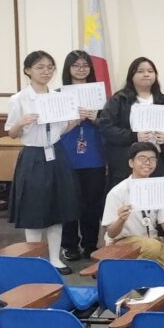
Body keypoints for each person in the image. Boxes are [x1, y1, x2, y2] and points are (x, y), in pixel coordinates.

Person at [5, 51, 81, 274]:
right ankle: (34, 259)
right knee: (34, 210)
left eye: (50, 67)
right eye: (40, 67)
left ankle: (55, 258)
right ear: (28, 70)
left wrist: (75, 121)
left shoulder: (59, 97)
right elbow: (11, 133)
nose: (46, 71)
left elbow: (61, 130)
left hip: (56, 153)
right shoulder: (18, 99)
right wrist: (21, 122)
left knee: (57, 208)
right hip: (33, 155)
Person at [100, 142, 164, 285]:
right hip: (123, 242)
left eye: (152, 159)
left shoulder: (158, 188)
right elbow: (112, 233)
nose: (148, 163)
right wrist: (121, 219)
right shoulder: (117, 192)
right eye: (142, 158)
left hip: (152, 242)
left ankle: (141, 280)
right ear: (131, 163)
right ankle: (124, 275)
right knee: (153, 246)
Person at [58, 50, 107, 261]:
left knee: (92, 203)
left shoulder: (100, 95)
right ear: (68, 69)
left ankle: (90, 244)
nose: (81, 69)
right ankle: (69, 245)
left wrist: (96, 118)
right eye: (76, 65)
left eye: (85, 65)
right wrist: (73, 119)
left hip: (94, 155)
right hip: (67, 155)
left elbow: (109, 125)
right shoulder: (58, 94)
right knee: (68, 202)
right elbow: (53, 128)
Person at [98, 57, 164, 191]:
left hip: (156, 161)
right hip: (126, 162)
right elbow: (106, 127)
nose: (146, 74)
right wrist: (134, 136)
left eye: (150, 71)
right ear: (131, 75)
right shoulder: (119, 99)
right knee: (129, 199)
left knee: (155, 196)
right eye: (140, 71)